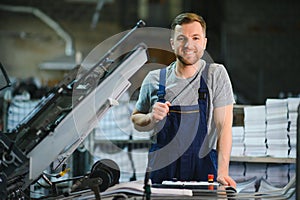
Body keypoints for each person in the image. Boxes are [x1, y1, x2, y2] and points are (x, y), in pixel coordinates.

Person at [131, 12, 236, 187]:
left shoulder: (215, 74)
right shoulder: (154, 78)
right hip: (162, 168)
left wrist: (222, 172)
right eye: (181, 38)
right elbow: (136, 119)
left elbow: (224, 127)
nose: (189, 45)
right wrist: (150, 117)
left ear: (204, 42)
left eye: (195, 38)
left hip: (202, 167)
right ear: (172, 43)